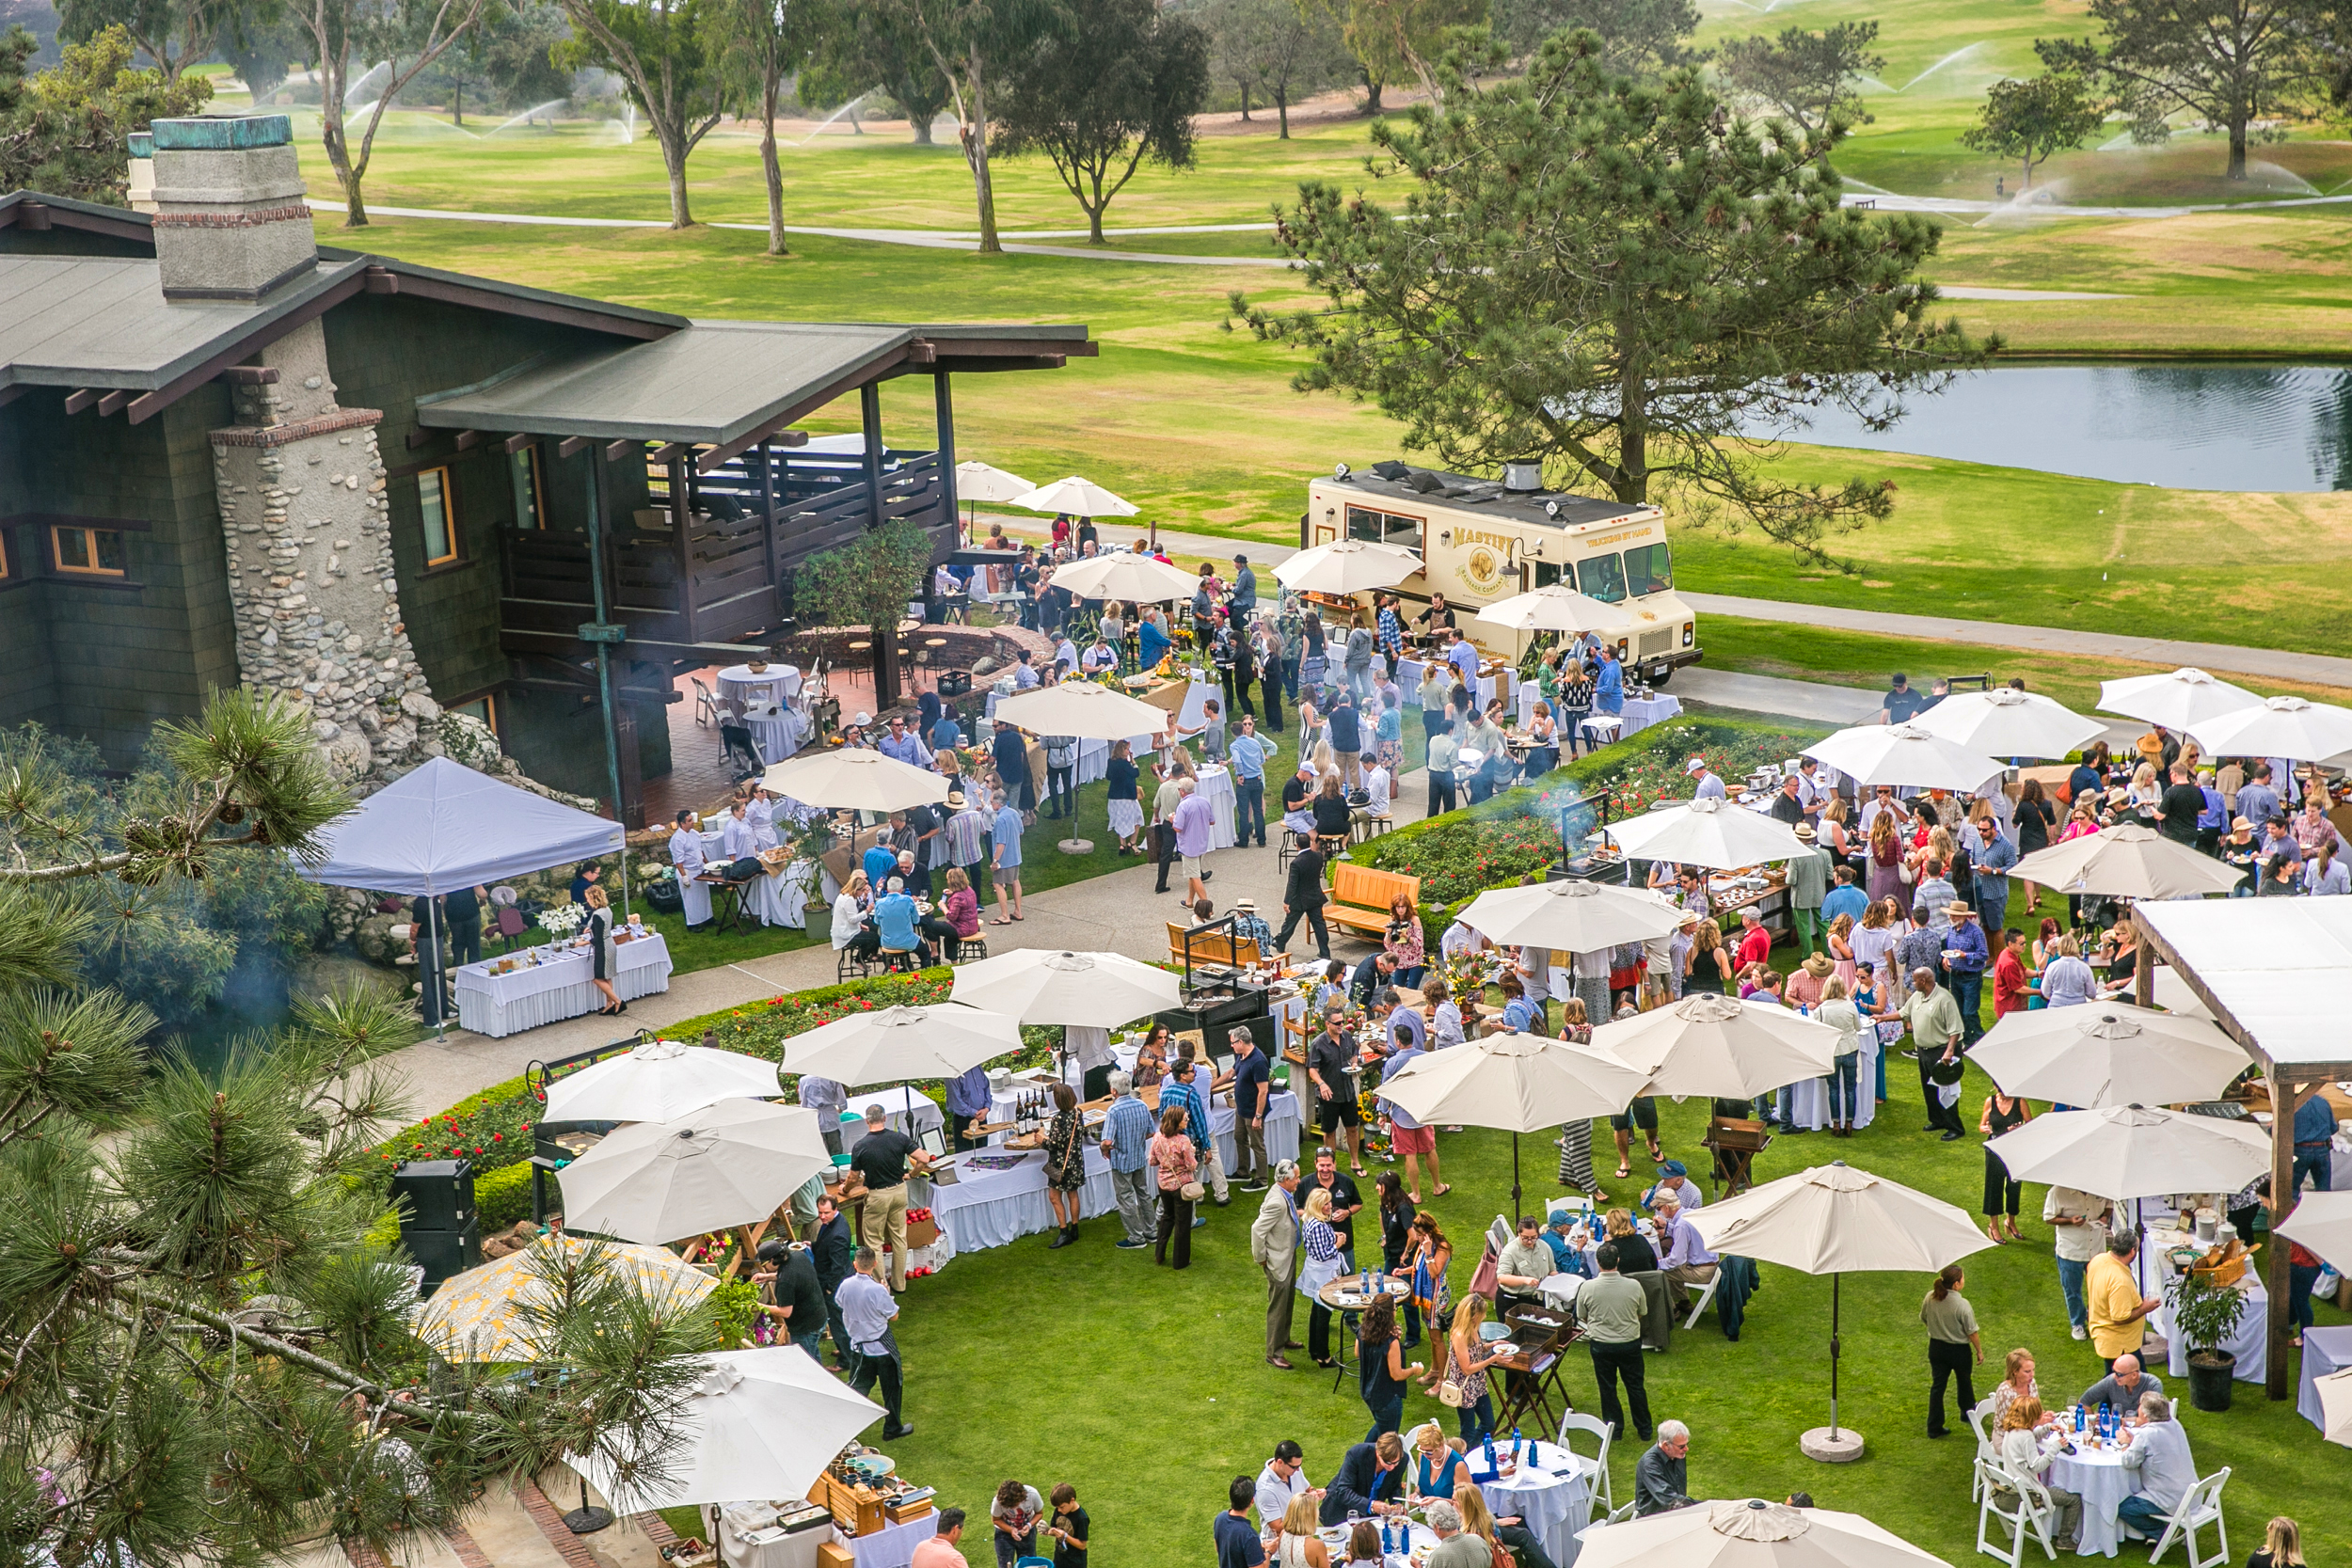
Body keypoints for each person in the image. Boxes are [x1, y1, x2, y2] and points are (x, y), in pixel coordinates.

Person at [1581, 1240, 1653, 1442]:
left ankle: (1615, 1430)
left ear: (1597, 1262)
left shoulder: (1588, 1287)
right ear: (1618, 1261)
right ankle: (1645, 1430)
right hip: (1629, 1343)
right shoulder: (1633, 1286)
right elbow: (1642, 1312)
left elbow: (1582, 1315)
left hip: (1601, 1345)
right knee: (1635, 1386)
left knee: (1607, 1387)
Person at [837, 1246, 912, 1438]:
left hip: (859, 1347)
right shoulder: (878, 1290)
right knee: (892, 1388)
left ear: (855, 1264)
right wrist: (886, 1293)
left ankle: (846, 1428)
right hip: (882, 1347)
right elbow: (894, 1316)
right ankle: (892, 1428)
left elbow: (840, 1303)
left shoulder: (845, 1285)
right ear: (874, 1264)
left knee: (857, 1387)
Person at [1992, 1399, 2082, 1552]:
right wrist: (2055, 1447)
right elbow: (2038, 1465)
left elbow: (2031, 1437)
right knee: (2074, 1500)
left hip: (2007, 1489)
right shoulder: (2025, 1436)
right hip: (2025, 1494)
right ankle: (2064, 1539)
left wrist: (2047, 1428)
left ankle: (2055, 1530)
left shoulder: (2012, 1429)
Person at [2115, 1396, 2196, 1543]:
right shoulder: (2175, 1424)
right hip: (2192, 1494)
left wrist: (2125, 1443)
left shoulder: (2146, 1434)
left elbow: (2128, 1462)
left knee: (2123, 1509)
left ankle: (2163, 1533)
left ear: (2145, 1414)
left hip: (2170, 1499)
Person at [1902, 966, 1968, 1140]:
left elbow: (1955, 1030)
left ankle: (1955, 1127)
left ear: (1923, 981)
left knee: (1946, 1088)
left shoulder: (1944, 999)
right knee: (1929, 1088)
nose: (1913, 982)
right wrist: (1880, 1018)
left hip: (1942, 1051)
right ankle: (1937, 1120)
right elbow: (1903, 1013)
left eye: (1915, 979)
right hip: (1924, 1052)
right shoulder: (1917, 996)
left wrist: (1949, 1052)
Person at [1252, 1162, 1304, 1369]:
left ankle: (1283, 1338)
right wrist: (1261, 1258)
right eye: (1296, 1178)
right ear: (1285, 1180)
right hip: (1278, 1261)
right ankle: (1273, 1352)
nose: (1299, 1181)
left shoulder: (1282, 1194)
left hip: (1287, 1255)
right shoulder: (1277, 1201)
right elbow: (1257, 1230)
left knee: (1287, 1301)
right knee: (1278, 1306)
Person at [2044, 1185, 2113, 1341]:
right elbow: (2048, 1218)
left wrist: (2105, 1217)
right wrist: (2069, 1220)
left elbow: (2109, 1205)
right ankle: (2077, 1323)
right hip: (2070, 1251)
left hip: (2096, 1249)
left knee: (2099, 1289)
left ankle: (2096, 1320)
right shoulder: (2057, 1192)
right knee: (2072, 1290)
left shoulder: (2102, 1186)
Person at [1922, 1263, 1982, 1438]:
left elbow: (1923, 1317)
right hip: (1959, 1351)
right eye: (1962, 1278)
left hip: (1937, 1348)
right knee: (1964, 1382)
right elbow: (1972, 1332)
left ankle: (1934, 1427)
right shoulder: (1962, 1305)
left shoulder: (1930, 1297)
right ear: (1956, 1284)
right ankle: (1968, 1413)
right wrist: (1979, 1351)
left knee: (1937, 1387)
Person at [2088, 1230, 2163, 1370]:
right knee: (2129, 1384)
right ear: (2132, 1251)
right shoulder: (2120, 1282)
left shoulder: (2098, 1260)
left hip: (2109, 1338)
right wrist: (2145, 1308)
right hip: (2121, 1345)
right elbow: (2119, 1318)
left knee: (2119, 1383)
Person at [1101, 1070, 1156, 1251]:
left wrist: (1104, 1149)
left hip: (1122, 1161)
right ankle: (1151, 1231)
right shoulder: (1141, 1105)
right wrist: (1136, 1140)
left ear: (1113, 1091)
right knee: (1144, 1193)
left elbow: (1107, 1141)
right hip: (1139, 1157)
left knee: (1126, 1198)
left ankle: (1136, 1237)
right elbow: (1150, 1131)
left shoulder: (1114, 1110)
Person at [1358, 1293, 1422, 1441]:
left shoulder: (1363, 1331)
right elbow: (1397, 1374)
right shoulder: (1391, 1342)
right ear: (1389, 1313)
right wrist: (1414, 1370)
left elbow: (1357, 1352)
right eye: (1395, 1308)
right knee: (1387, 1442)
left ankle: (1364, 1453)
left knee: (1381, 1426)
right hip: (1387, 1397)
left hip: (1368, 1390)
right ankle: (1366, 1458)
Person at [1445, 1293, 1504, 1445]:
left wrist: (1490, 1346)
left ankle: (1470, 1450)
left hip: (1477, 1384)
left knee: (1489, 1424)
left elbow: (1476, 1350)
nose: (1484, 1316)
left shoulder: (1473, 1328)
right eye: (1482, 1314)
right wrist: (1492, 1359)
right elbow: (1467, 1369)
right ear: (1474, 1316)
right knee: (1468, 1431)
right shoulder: (1459, 1336)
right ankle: (1464, 1459)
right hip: (1465, 1388)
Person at [1320, 1433, 1408, 1526]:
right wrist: (1371, 1505)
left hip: (1370, 1517)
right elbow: (1343, 1491)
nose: (1392, 1467)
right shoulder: (1357, 1454)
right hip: (1342, 1510)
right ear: (1378, 1453)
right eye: (1388, 1462)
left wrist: (1396, 1503)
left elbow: (1394, 1486)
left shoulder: (1403, 1460)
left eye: (1396, 1463)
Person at [809, 1192, 855, 1367]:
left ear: (835, 1209)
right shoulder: (832, 1223)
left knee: (837, 1321)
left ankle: (845, 1360)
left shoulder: (838, 1235)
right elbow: (824, 1244)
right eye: (820, 1212)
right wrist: (812, 1246)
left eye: (826, 1213)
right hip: (835, 1279)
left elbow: (837, 1266)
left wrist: (828, 1288)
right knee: (841, 1319)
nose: (822, 1216)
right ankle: (845, 1349)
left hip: (836, 1283)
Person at [1150, 1105, 1199, 1270]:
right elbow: (1191, 1165)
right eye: (1185, 1118)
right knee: (1182, 1224)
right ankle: (1180, 1261)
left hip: (1163, 1185)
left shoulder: (1157, 1137)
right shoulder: (1183, 1141)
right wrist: (1192, 1151)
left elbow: (1152, 1161)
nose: (1187, 1120)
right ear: (1177, 1121)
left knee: (1167, 1216)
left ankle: (1159, 1254)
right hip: (1181, 1186)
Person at [1040, 1082, 1087, 1250]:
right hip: (1075, 1161)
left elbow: (1054, 1145)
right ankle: (1075, 1228)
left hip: (1059, 1164)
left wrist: (1041, 1141)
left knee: (1054, 1196)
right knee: (1073, 1194)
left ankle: (1064, 1232)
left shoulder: (1058, 1119)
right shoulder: (1077, 1113)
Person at [1655, 1191, 1718, 1310]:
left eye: (1659, 1208)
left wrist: (1657, 1263)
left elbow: (1676, 1260)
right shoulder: (1690, 1214)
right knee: (1669, 1261)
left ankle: (1671, 1310)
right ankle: (1684, 1302)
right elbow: (1687, 1232)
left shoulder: (1681, 1226)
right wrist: (1667, 1226)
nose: (1659, 1211)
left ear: (1666, 1207)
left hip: (1701, 1272)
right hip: (1712, 1265)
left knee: (1661, 1272)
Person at [1278, 837, 1331, 961]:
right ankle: (1325, 952)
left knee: (1290, 923)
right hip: (1315, 896)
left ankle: (1281, 942)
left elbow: (1292, 884)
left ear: (1297, 846)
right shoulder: (1318, 856)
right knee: (1319, 925)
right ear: (1309, 843)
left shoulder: (1296, 863)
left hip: (1300, 899)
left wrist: (1287, 901)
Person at [1632, 1423, 1692, 1515]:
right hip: (1654, 1519)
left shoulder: (1678, 1454)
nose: (1686, 1449)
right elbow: (1668, 1498)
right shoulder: (1650, 1464)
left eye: (1686, 1444)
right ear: (1666, 1445)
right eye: (1681, 1446)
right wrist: (1703, 1506)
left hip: (1677, 1510)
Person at [2081, 1353, 2164, 1414]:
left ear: (2134, 1375)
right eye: (2114, 1371)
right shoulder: (2112, 1380)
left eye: (2119, 1374)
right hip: (2120, 1431)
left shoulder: (2153, 1384)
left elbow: (2147, 1416)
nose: (2115, 1376)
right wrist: (2093, 1420)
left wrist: (2117, 1421)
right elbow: (2084, 1401)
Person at [991, 1481, 1043, 1568]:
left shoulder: (1032, 1495)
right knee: (1005, 1564)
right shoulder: (998, 1501)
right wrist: (1010, 1529)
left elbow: (1039, 1513)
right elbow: (996, 1519)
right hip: (1004, 1535)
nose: (1012, 1508)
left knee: (1028, 1564)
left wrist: (1029, 1525)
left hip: (1027, 1534)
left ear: (1021, 1498)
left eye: (1013, 1505)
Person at [1217, 1476, 1267, 1568]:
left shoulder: (1220, 1518)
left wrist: (1257, 1548)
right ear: (1252, 1501)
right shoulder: (1249, 1535)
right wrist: (1269, 1551)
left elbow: (1219, 1547)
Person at [990, 792, 1025, 923]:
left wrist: (995, 861)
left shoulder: (1000, 820)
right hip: (1016, 855)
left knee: (998, 884)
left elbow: (1001, 843)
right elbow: (1021, 831)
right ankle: (1018, 911)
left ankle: (1005, 916)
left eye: (992, 802)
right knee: (1015, 881)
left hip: (1004, 859)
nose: (991, 804)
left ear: (998, 803)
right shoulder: (1014, 813)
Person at [2294, 1086, 2337, 1193]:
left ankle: (2292, 1209)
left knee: (2291, 1189)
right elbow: (2334, 1128)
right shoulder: (2322, 1102)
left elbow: (2276, 1132)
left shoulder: (2292, 1105)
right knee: (2323, 1189)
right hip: (2322, 1148)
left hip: (2300, 1150)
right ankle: (2324, 1208)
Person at [1409, 1422, 1468, 1499]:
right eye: (1421, 1450)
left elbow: (1464, 1501)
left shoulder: (1458, 1465)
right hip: (1429, 1508)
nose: (1425, 1455)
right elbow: (1421, 1484)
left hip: (1451, 1510)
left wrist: (1437, 1500)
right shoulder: (1423, 1456)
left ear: (1440, 1445)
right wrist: (1416, 1494)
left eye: (1429, 1452)